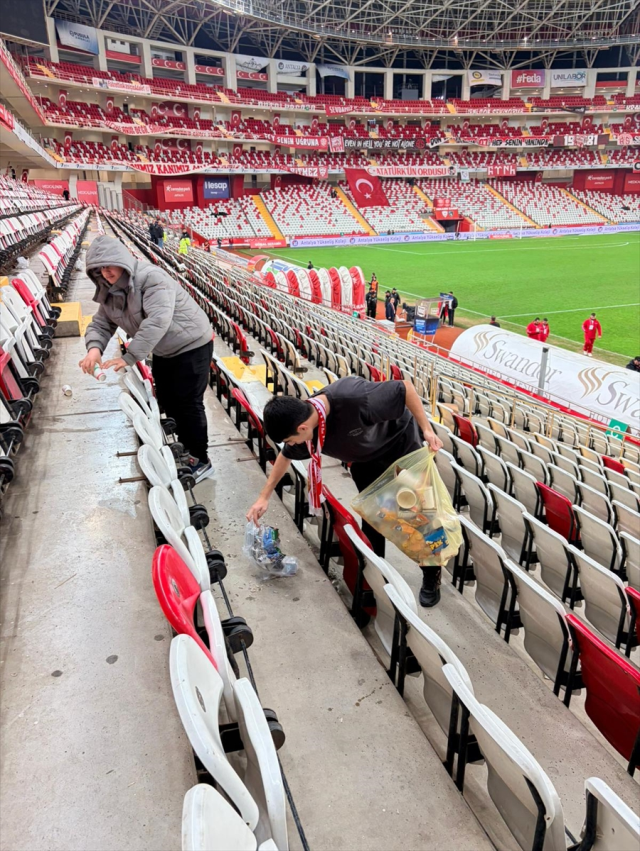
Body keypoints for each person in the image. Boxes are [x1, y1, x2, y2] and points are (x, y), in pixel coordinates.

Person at [246, 376, 445, 606]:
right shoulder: (308, 429)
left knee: (419, 516)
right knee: (373, 516)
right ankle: (376, 571)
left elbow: (406, 388)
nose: (292, 445)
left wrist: (427, 430)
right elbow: (285, 456)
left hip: (401, 447)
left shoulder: (354, 397)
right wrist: (264, 497)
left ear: (302, 428)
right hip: (366, 459)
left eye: (291, 440)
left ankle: (432, 573)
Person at [78, 236, 214, 482]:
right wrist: (94, 349)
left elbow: (157, 321)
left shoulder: (151, 278)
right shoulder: (109, 291)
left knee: (188, 403)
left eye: (109, 264)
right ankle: (185, 447)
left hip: (191, 344)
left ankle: (200, 459)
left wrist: (130, 357)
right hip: (164, 349)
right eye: (99, 268)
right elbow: (101, 323)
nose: (105, 272)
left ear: (121, 260)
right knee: (168, 400)